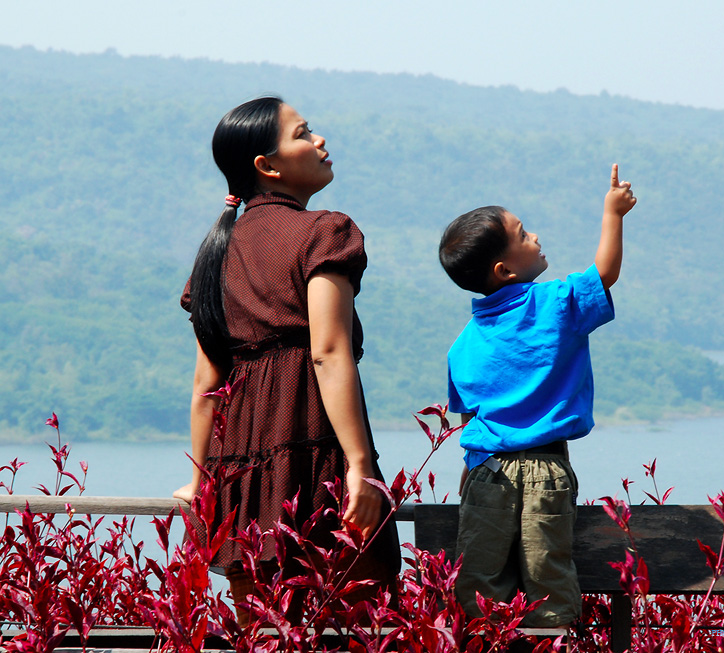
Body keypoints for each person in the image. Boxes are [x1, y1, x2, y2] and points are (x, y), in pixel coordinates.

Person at [172, 96, 399, 624]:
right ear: (268, 166)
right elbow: (328, 352)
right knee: (358, 627)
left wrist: (201, 480)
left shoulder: (214, 254)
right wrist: (361, 468)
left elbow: (207, 383)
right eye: (303, 133)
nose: (319, 140)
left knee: (264, 630)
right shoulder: (325, 232)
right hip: (314, 457)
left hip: (239, 479)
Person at [438, 164, 636, 627]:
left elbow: (470, 423)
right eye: (523, 234)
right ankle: (554, 640)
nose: (536, 237)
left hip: (486, 474)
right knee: (548, 577)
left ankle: (484, 639)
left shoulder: (462, 345)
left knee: (480, 581)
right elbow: (604, 273)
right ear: (505, 270)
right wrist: (613, 213)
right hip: (547, 469)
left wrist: (471, 474)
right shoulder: (554, 304)